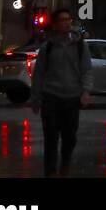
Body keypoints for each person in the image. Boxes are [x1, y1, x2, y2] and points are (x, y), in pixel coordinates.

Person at [30, 9, 93, 177]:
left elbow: (86, 69)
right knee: (51, 137)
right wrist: (35, 97)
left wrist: (86, 91)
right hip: (51, 96)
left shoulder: (80, 45)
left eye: (68, 19)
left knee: (69, 137)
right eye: (62, 20)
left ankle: (65, 164)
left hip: (72, 98)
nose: (66, 23)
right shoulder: (48, 47)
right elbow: (39, 73)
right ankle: (50, 171)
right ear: (56, 24)